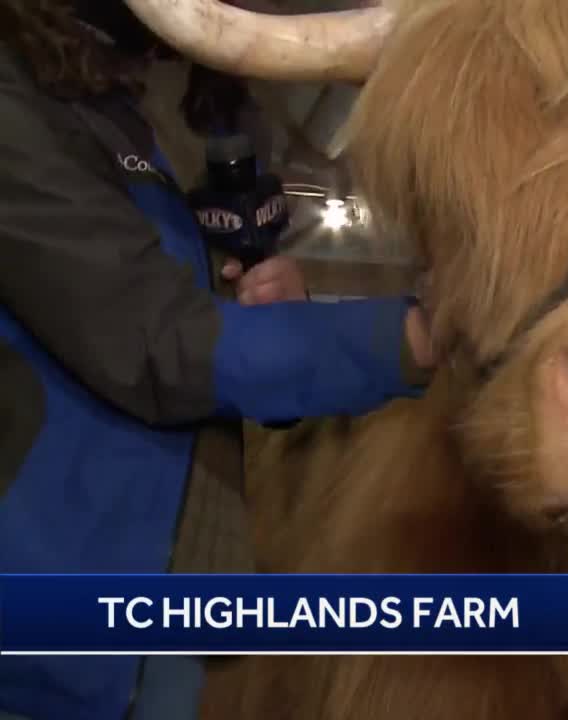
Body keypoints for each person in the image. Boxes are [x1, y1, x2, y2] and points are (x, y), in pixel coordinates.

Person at [0, 2, 438, 719]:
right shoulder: (13, 101)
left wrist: (271, 304)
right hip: (50, 631)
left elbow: (196, 332)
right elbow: (159, 343)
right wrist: (415, 337)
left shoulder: (127, 107)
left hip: (176, 594)